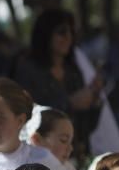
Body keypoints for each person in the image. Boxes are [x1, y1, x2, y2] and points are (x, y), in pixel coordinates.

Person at [13, 8, 103, 162]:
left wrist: (94, 100)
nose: (68, 37)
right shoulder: (27, 71)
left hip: (75, 155)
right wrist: (70, 103)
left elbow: (87, 127)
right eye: (61, 32)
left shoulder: (73, 71)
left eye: (71, 33)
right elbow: (27, 117)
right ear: (46, 35)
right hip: (41, 156)